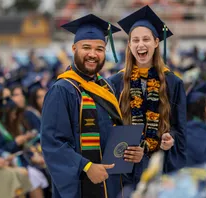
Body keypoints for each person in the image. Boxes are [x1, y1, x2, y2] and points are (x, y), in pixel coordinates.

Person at [41, 14, 136, 198]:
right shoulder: (63, 90)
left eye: (99, 49)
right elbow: (53, 143)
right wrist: (86, 166)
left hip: (112, 182)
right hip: (83, 185)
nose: (93, 54)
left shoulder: (106, 87)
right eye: (86, 48)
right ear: (74, 48)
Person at [109, 5, 187, 186]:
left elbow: (179, 129)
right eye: (135, 40)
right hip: (125, 170)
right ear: (129, 44)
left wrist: (169, 139)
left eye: (146, 39)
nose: (140, 44)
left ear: (156, 42)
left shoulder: (173, 83)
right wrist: (128, 151)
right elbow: (110, 128)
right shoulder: (115, 83)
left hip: (160, 166)